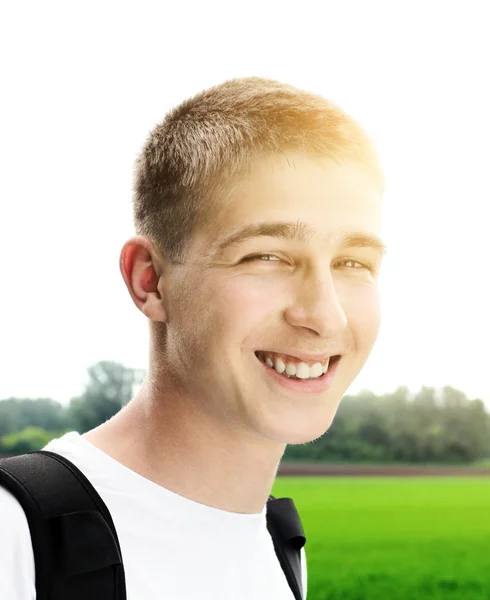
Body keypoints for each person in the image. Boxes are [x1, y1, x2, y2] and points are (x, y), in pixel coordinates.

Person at [0, 76, 386, 599]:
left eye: (353, 263)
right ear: (150, 280)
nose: (325, 315)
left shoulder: (278, 550)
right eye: (266, 256)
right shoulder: (16, 538)